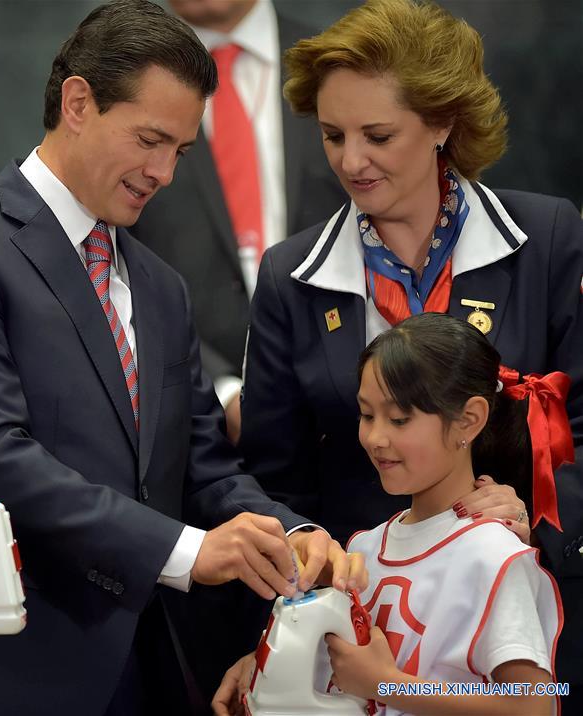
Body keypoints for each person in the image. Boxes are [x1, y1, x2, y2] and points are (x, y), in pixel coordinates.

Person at [0, 2, 365, 714]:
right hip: (9, 666)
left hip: (155, 668)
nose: (164, 172)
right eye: (149, 139)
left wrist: (285, 533)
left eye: (180, 151)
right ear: (77, 102)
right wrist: (183, 552)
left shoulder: (159, 284)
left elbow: (200, 464)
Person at [237, 0, 583, 705]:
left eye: (378, 134)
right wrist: (285, 616)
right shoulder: (289, 274)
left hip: (530, 622)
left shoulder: (545, 237)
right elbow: (274, 477)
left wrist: (542, 518)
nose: (350, 160)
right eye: (333, 135)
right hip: (364, 638)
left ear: (442, 124)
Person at [215, 312, 565, 715]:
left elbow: (533, 706)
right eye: (366, 415)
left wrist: (389, 685)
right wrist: (270, 665)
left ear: (469, 419)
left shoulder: (495, 554)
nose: (376, 438)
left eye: (400, 419)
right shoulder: (363, 547)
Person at [134, 0, 344, 444]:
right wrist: (222, 391)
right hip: (188, 424)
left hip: (350, 410)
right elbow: (107, 255)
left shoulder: (342, 60)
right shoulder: (123, 69)